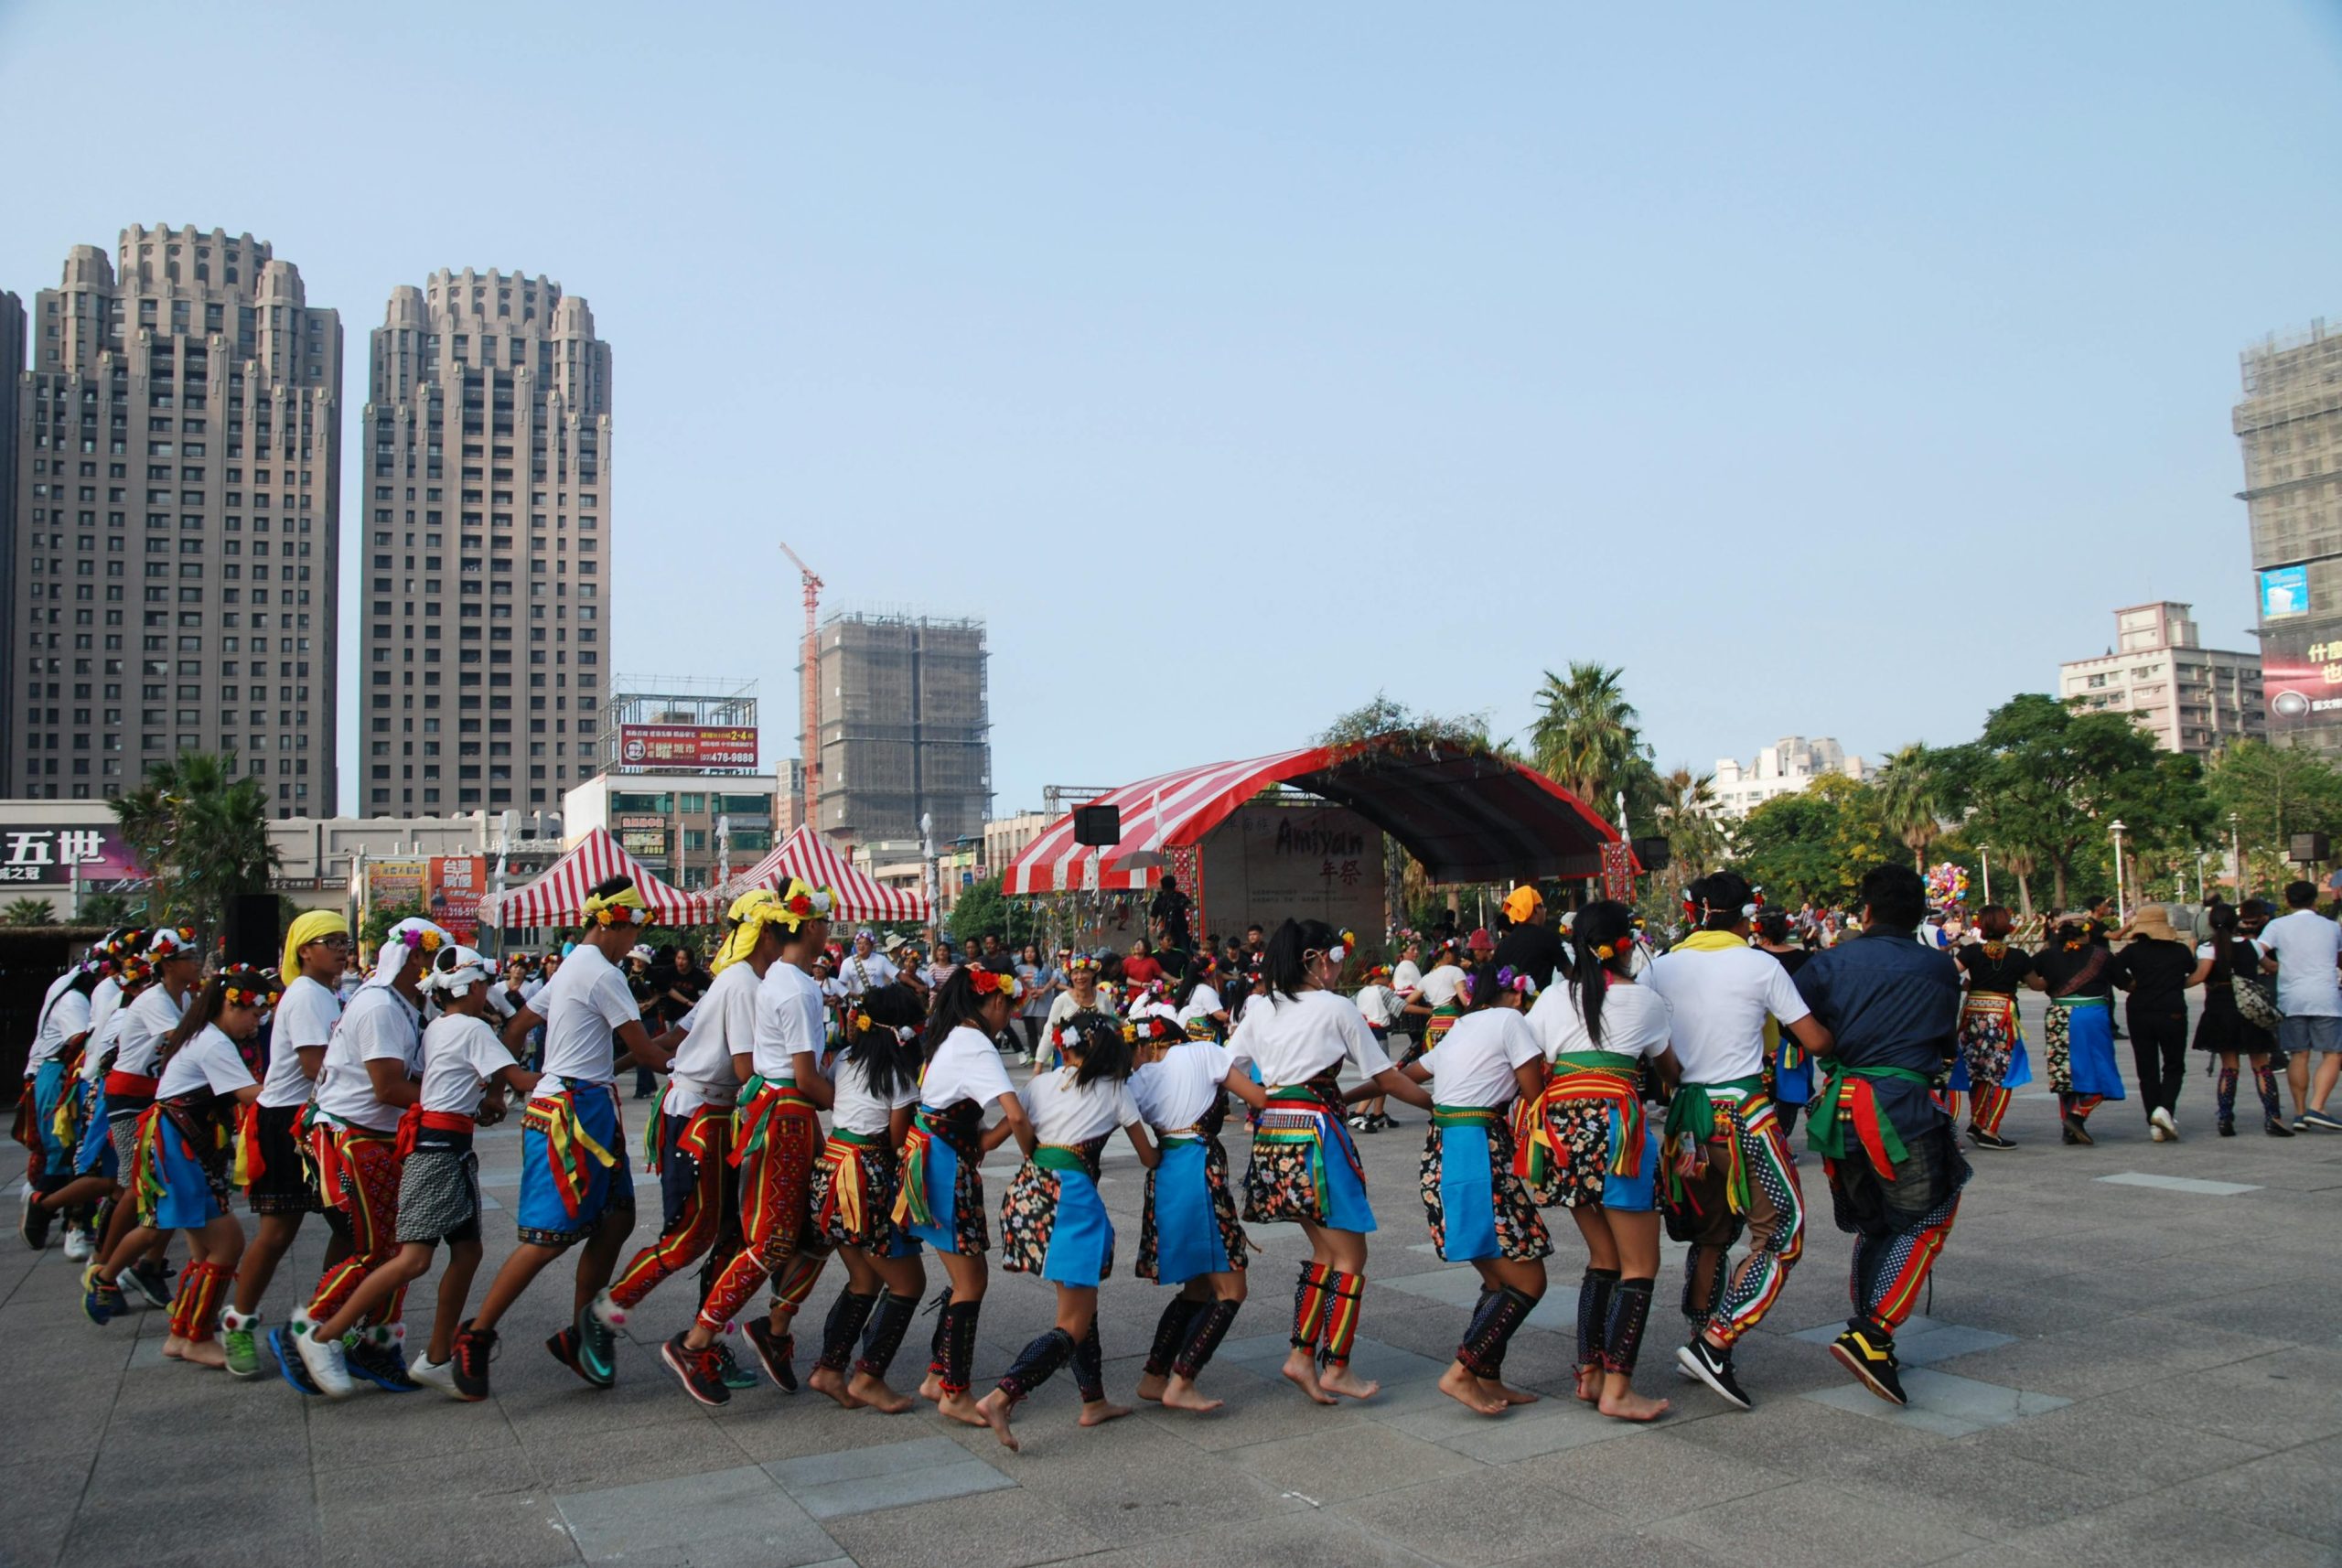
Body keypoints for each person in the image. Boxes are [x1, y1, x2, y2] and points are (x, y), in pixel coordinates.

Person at [449, 877, 671, 1398]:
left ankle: (582, 1333)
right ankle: (476, 1335)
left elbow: (517, 1027)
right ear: (612, 922)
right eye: (634, 927)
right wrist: (697, 1063)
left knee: (618, 1219)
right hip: (569, 1113)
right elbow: (645, 1054)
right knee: (546, 1239)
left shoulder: (576, 965)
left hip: (584, 1103)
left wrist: (506, 1084)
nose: (634, 938)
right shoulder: (602, 973)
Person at [306, 946, 539, 1399]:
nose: (486, 993)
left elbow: (469, 1084)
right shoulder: (473, 1027)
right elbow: (521, 1080)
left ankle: (435, 1357)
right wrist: (584, 1074)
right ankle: (323, 1336)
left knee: (467, 1252)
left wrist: (487, 1099)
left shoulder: (438, 1026)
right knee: (413, 1258)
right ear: (473, 988)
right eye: (484, 986)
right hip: (439, 1152)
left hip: (443, 1145)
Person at [1644, 871, 1831, 1412]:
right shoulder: (1761, 965)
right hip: (1743, 1114)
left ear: (1688, 909)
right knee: (1780, 1234)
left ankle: (1700, 1335)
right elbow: (1812, 1038)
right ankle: (1716, 1340)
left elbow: (1657, 1050)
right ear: (1750, 911)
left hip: (1685, 1120)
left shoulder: (1660, 967)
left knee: (1710, 1235)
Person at [602, 891, 791, 1395]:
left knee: (729, 1236)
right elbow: (749, 1070)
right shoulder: (745, 985)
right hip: (701, 1116)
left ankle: (702, 1340)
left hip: (708, 1112)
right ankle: (601, 1319)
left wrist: (617, 1067)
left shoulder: (733, 979)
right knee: (690, 1237)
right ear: (766, 934)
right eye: (785, 928)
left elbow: (676, 1040)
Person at [1238, 918, 1433, 1405]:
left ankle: (1303, 1357)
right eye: (1335, 956)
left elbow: (1227, 1066)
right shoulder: (1335, 1007)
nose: (1336, 967)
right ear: (1315, 959)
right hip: (1316, 1137)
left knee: (1328, 1253)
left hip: (1273, 1136)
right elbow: (1386, 1079)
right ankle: (1337, 1366)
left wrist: (1265, 1101)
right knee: (1351, 1256)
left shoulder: (1262, 1008)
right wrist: (1438, 1106)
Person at [1794, 864, 1968, 1407]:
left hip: (1841, 1110)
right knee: (1925, 1216)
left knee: (1873, 1225)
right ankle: (1873, 1332)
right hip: (1903, 1109)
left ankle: (1870, 1325)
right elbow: (1944, 1042)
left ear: (1864, 912)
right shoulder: (1939, 969)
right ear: (1920, 914)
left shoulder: (1826, 963)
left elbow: (1805, 1032)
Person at [659, 879, 836, 1406]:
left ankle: (775, 1330)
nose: (830, 930)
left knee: (819, 1228)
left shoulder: (782, 977)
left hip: (785, 1116)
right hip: (785, 1116)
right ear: (810, 926)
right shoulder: (798, 987)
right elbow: (805, 1078)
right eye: (826, 921)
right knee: (772, 1241)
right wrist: (849, 1109)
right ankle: (696, 1341)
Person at [972, 1012, 1158, 1451]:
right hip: (1070, 1200)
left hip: (1027, 1194)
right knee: (1072, 1320)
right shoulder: (1115, 1089)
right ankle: (1003, 1395)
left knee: (1079, 1299)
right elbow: (1147, 1156)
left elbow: (996, 1136)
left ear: (1065, 1045)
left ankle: (1093, 1401)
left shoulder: (1039, 1084)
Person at [1521, 900, 1677, 1423]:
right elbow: (1669, 1067)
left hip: (1562, 1133)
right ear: (1626, 945)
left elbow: (1534, 1057)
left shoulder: (1550, 997)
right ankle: (1618, 1387)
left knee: (1603, 1257)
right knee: (1641, 1265)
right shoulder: (1645, 1000)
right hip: (1616, 1132)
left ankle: (1590, 1373)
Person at [279, 918, 447, 1398]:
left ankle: (374, 1342)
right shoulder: (378, 1005)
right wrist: (455, 1104)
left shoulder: (404, 1003)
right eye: (438, 962)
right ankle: (310, 1330)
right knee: (381, 1250)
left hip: (379, 1138)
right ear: (416, 958)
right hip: (354, 1139)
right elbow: (388, 1086)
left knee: (401, 1248)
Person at [85, 966, 276, 1368]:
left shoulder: (208, 1036)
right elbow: (249, 1096)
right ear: (231, 1004)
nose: (255, 1025)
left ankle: (183, 1334)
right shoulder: (213, 1044)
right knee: (223, 1244)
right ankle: (193, 1335)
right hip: (179, 1147)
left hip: (187, 1146)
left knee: (208, 1245)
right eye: (255, 1015)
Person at [1398, 964, 1550, 1417]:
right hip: (1476, 1151)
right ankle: (1462, 1372)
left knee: (1498, 1277)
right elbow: (1533, 1093)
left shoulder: (1463, 1027)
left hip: (1446, 1148)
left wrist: (1343, 1098)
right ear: (1519, 996)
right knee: (1528, 1278)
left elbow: (1402, 1074)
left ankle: (1488, 1375)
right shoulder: (1511, 1022)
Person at [897, 965, 1037, 1426]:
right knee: (971, 1280)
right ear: (996, 1002)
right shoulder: (976, 1043)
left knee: (966, 1276)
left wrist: (991, 1140)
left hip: (938, 1156)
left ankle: (939, 1377)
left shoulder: (954, 1036)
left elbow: (980, 1128)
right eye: (1011, 1006)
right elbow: (1014, 1115)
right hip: (942, 1165)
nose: (1010, 1016)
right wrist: (1033, 1154)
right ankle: (953, 1391)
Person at [219, 910, 353, 1379]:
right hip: (286, 1123)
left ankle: (322, 1316)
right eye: (330, 940)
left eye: (343, 939)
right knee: (278, 1234)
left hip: (316, 1118)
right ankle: (238, 1322)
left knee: (351, 1224)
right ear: (304, 951)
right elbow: (315, 1065)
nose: (341, 947)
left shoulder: (324, 994)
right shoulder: (307, 996)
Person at [1128, 1004, 1265, 1414]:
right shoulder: (1203, 1052)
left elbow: (1141, 1147)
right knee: (1232, 1290)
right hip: (1200, 1172)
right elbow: (1257, 1097)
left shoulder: (1137, 1080)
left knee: (1198, 1286)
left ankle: (1155, 1377)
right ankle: (1183, 1378)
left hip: (1166, 1174)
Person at [801, 982, 931, 1412]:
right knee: (910, 1282)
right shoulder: (898, 1074)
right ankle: (869, 1377)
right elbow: (897, 1141)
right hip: (865, 1177)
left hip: (830, 1168)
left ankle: (829, 1369)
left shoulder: (846, 1058)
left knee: (864, 1279)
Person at [18, 952, 101, 1255]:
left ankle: (76, 1222)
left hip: (69, 1074)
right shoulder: (74, 999)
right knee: (67, 1149)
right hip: (62, 1075)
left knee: (81, 1152)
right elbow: (81, 1041)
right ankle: (63, 1218)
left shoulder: (77, 989)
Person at [2025, 913, 2125, 1145]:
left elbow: (2029, 976)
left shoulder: (2047, 956)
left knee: (2065, 1073)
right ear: (2087, 933)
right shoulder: (2102, 956)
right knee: (2102, 1068)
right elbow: (2126, 983)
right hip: (2091, 1016)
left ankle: (2068, 1129)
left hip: (2058, 1016)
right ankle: (2077, 1115)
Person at [2194, 903, 2290, 1137]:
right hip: (2249, 1010)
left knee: (2229, 1067)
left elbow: (2200, 976)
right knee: (2262, 1065)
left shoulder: (2207, 948)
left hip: (2220, 1009)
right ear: (2236, 922)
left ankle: (2225, 1117)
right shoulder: (2253, 946)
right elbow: (2271, 966)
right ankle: (2273, 1117)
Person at [2256, 880, 2342, 1132]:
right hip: (2325, 996)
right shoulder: (2331, 927)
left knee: (2299, 1054)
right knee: (2332, 1054)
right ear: (2315, 899)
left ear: (2288, 901)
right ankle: (2318, 1106)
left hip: (2291, 997)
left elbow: (2257, 949)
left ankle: (2300, 1111)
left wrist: (2271, 966)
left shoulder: (2276, 925)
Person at [1950, 906, 2032, 1151]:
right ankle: (1989, 1128)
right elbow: (2037, 984)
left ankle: (1977, 1122)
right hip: (2002, 1018)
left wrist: (1971, 985)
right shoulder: (2018, 956)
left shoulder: (1971, 952)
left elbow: (1948, 972)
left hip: (1974, 1016)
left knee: (1978, 1069)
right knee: (2005, 1073)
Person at [2112, 904, 2197, 1142]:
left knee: (2146, 1069)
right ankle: (2165, 1109)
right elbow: (2191, 972)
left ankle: (2154, 1120)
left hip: (2140, 1010)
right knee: (2173, 1064)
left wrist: (2130, 985)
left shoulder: (2131, 952)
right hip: (2172, 1010)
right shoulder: (2180, 951)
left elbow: (2115, 970)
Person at [1751, 909, 1814, 1135]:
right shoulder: (1805, 959)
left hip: (1758, 1035)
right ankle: (1781, 1139)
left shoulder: (1750, 956)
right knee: (1789, 1090)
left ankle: (1763, 1140)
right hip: (1794, 1034)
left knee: (1758, 1092)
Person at [1040, 954, 1112, 1071]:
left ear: (1093, 973)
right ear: (1070, 976)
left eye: (1084, 972)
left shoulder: (1103, 998)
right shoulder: (1061, 1000)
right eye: (1075, 973)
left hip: (1099, 1058)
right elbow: (1049, 1031)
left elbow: (1111, 1028)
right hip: (1067, 1060)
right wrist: (1039, 1065)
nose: (1080, 977)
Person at [1490, 886, 1565, 990]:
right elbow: (1570, 974)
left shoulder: (1502, 945)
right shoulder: (1548, 937)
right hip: (1541, 1003)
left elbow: (1494, 978)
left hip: (1510, 1006)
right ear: (1535, 909)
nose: (1544, 911)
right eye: (1542, 906)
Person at [1149, 874, 1194, 954]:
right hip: (1167, 929)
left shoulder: (1179, 896)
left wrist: (1184, 904)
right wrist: (1152, 926)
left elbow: (1191, 907)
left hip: (1181, 928)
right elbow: (1154, 914)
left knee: (1184, 950)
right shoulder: (1159, 899)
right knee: (1167, 950)